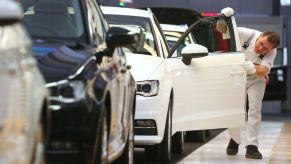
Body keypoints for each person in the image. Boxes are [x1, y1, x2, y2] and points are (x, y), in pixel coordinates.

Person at [227, 27, 280, 159]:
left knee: (254, 111)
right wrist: (224, 19)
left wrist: (252, 66)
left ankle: (252, 147)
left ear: (271, 49)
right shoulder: (246, 33)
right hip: (238, 76)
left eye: (265, 49)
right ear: (260, 35)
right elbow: (224, 30)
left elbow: (263, 70)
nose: (261, 49)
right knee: (236, 109)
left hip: (257, 79)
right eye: (261, 43)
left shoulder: (272, 51)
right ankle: (234, 139)